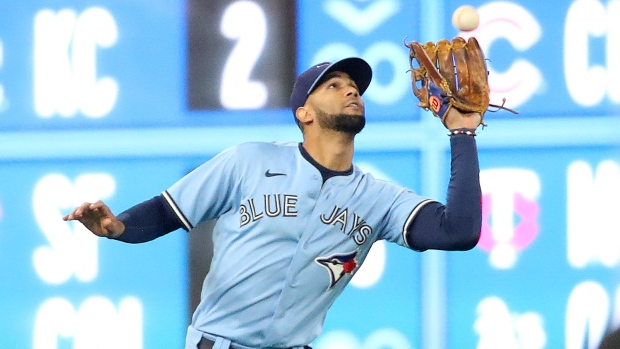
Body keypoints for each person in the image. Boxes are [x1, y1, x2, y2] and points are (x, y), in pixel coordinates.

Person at [63, 57, 483, 349]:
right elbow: (168, 211)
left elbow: (458, 231)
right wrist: (116, 227)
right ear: (304, 113)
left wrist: (462, 133)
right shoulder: (251, 160)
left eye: (354, 87)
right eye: (333, 86)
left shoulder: (378, 198)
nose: (351, 90)